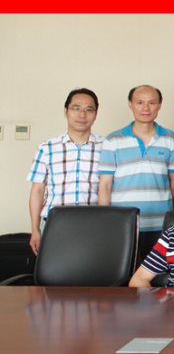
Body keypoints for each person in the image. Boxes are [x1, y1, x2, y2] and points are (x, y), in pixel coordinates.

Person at [98, 85, 174, 262]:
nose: (146, 108)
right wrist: (105, 221)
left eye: (152, 102)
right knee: (124, 273)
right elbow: (105, 185)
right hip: (123, 223)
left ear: (159, 105)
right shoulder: (113, 140)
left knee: (159, 272)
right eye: (140, 102)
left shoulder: (171, 138)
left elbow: (173, 181)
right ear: (130, 104)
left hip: (160, 223)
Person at [27, 88, 103, 255]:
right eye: (76, 108)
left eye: (88, 110)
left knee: (92, 268)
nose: (82, 114)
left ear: (95, 114)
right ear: (65, 111)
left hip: (94, 224)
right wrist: (35, 229)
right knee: (53, 269)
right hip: (55, 224)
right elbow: (37, 190)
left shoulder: (106, 148)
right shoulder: (47, 147)